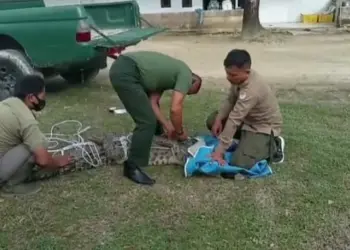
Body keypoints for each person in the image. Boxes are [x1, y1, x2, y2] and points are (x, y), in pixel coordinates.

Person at [109, 51, 202, 186]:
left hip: (125, 66)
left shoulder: (167, 77)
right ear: (193, 81)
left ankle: (155, 139)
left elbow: (152, 103)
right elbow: (175, 108)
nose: (184, 92)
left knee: (151, 118)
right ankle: (133, 167)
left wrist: (167, 126)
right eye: (187, 90)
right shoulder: (186, 74)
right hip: (127, 71)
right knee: (146, 122)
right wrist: (180, 132)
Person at [206, 49, 285, 178]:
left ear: (247, 72)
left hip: (261, 127)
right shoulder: (239, 79)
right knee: (212, 120)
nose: (229, 78)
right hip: (246, 120)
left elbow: (234, 119)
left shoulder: (252, 90)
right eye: (227, 73)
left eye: (233, 75)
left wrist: (220, 151)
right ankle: (245, 141)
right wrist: (218, 119)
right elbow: (230, 100)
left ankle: (274, 144)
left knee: (239, 163)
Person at [0, 74, 72, 196]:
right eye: (43, 94)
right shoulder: (26, 120)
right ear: (31, 97)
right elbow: (43, 160)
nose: (45, 97)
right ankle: (12, 185)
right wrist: (58, 162)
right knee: (36, 146)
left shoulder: (7, 103)